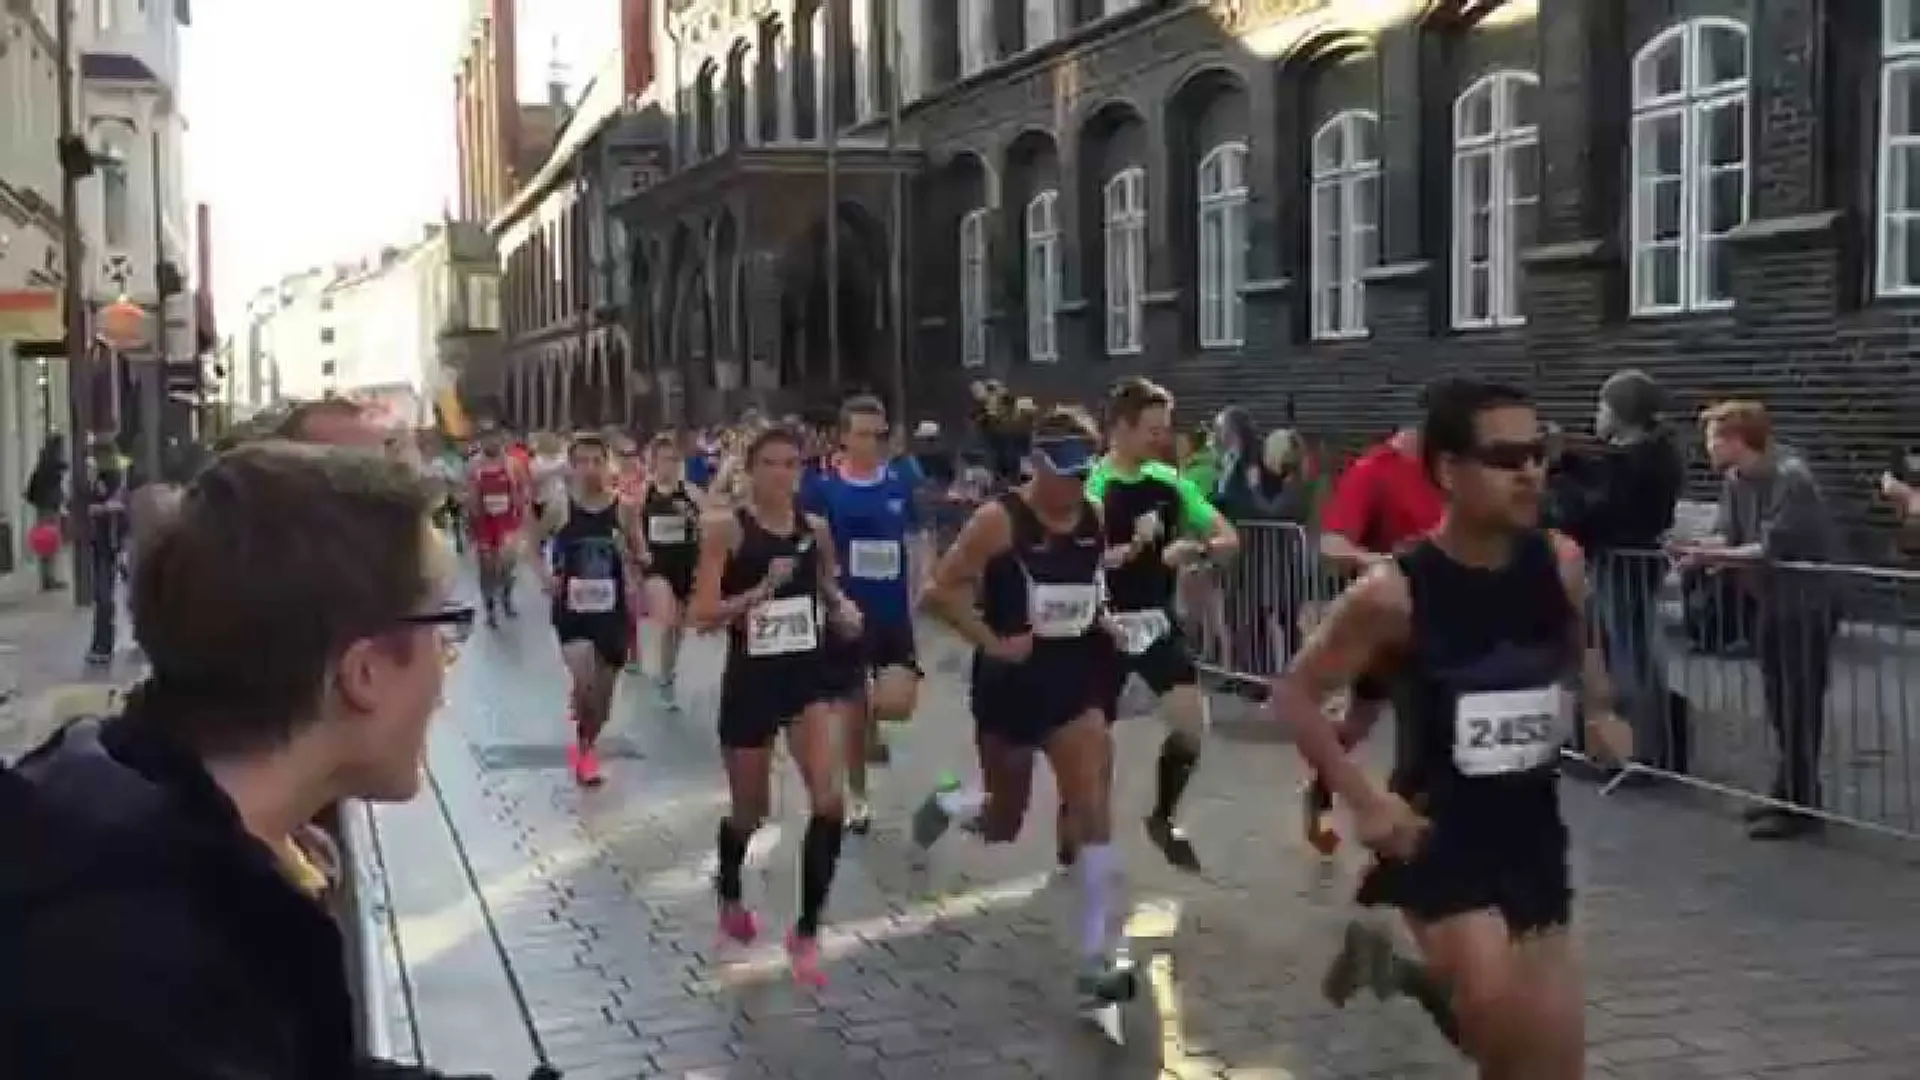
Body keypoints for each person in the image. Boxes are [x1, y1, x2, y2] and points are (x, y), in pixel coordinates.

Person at [0, 440, 486, 1079]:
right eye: (442, 630)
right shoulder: (143, 970)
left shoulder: (125, 822)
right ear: (363, 672)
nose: (446, 670)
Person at [1273, 378, 1631, 1078]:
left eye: (1537, 452)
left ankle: (1398, 973)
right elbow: (1294, 694)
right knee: (1496, 1013)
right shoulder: (1394, 591)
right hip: (1437, 835)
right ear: (1447, 471)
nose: (1530, 470)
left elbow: (1578, 642)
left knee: (1551, 1064)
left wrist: (1599, 708)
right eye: (1504, 457)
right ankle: (1414, 970)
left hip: (1532, 835)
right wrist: (1366, 799)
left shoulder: (1558, 562)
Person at [911, 406, 1136, 1007]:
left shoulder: (1093, 515)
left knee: (1091, 804)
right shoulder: (997, 520)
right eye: (1064, 471)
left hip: (1075, 680)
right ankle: (950, 802)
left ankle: (1098, 954)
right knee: (1004, 822)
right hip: (1010, 684)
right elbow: (937, 592)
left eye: (1084, 471)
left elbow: (1091, 586)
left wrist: (1106, 621)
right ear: (1036, 463)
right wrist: (991, 642)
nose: (1076, 484)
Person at [689, 425, 860, 987]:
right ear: (751, 469)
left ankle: (807, 930)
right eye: (772, 464)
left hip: (805, 679)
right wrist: (760, 592)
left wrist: (841, 609)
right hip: (751, 684)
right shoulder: (727, 531)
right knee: (751, 811)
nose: (784, 475)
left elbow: (826, 587)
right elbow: (703, 613)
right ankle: (731, 890)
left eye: (793, 465)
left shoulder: (815, 529)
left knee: (829, 801)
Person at [1084, 379, 1238, 873]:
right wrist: (1131, 549)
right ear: (1121, 428)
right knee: (1090, 745)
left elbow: (1226, 536)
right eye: (1152, 430)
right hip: (1100, 624)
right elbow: (1078, 561)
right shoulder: (1092, 485)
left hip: (1155, 621)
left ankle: (1162, 816)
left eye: (1165, 429)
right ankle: (1080, 822)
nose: (1162, 439)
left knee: (1193, 725)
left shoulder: (1170, 482)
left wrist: (1196, 550)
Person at [1672, 400, 1841, 840]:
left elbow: (1771, 547)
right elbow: (1730, 534)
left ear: (1734, 440)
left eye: (1712, 439)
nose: (1706, 449)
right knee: (1779, 700)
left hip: (1806, 603)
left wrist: (1710, 555)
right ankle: (1787, 794)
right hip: (1769, 601)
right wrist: (1694, 548)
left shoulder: (1791, 478)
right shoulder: (1735, 480)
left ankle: (1802, 805)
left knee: (1799, 702)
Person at [805, 396, 930, 834]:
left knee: (898, 704)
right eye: (861, 434)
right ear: (843, 437)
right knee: (854, 711)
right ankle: (857, 795)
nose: (871, 443)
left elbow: (916, 539)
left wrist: (919, 589)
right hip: (848, 615)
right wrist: (834, 597)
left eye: (878, 435)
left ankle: (866, 723)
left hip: (893, 613)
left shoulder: (900, 481)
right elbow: (816, 552)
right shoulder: (823, 487)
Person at [532, 434, 638, 787]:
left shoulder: (623, 508)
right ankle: (584, 750)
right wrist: (546, 576)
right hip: (572, 612)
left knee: (601, 704)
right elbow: (531, 543)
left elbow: (644, 555)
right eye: (582, 461)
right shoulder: (561, 506)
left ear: (608, 465)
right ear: (571, 466)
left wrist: (632, 557)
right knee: (586, 682)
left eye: (597, 460)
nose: (590, 469)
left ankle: (587, 741)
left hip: (612, 613)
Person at [633, 432, 704, 700]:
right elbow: (632, 526)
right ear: (654, 462)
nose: (669, 465)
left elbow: (708, 526)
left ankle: (668, 669)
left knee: (679, 626)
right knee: (668, 617)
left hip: (684, 562)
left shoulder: (691, 493)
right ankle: (664, 673)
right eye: (664, 459)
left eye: (674, 460)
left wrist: (693, 518)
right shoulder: (644, 493)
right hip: (656, 565)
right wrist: (636, 557)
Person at [466, 423, 533, 627]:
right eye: (486, 437)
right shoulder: (473, 465)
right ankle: (489, 609)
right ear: (481, 440)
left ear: (501, 438)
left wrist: (522, 516)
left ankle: (506, 597)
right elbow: (467, 495)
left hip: (508, 521)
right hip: (484, 523)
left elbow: (524, 490)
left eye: (494, 437)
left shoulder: (513, 463)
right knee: (486, 568)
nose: (491, 442)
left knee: (507, 565)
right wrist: (470, 524)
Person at [25, 433, 68, 592]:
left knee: (45, 544)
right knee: (50, 544)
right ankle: (50, 579)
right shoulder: (53, 463)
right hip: (50, 508)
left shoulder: (42, 464)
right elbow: (63, 467)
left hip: (42, 507)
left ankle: (46, 579)